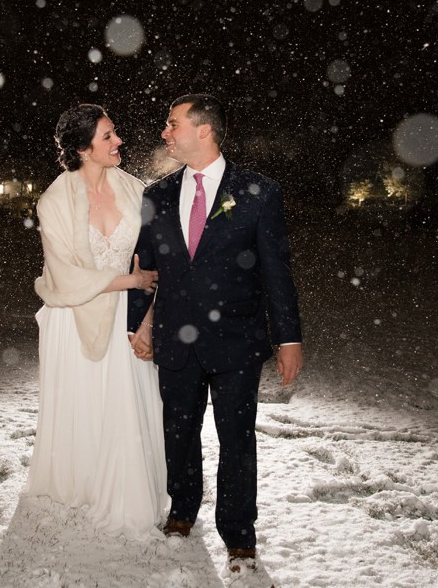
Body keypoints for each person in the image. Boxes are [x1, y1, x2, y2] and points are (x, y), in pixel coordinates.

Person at [128, 94, 303, 570]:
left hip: (237, 341)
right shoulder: (157, 195)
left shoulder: (257, 191)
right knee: (178, 433)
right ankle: (182, 511)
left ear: (203, 130)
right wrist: (137, 324)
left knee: (237, 440)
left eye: (172, 124)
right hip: (174, 341)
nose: (165, 132)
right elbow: (144, 266)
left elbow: (276, 271)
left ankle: (239, 533)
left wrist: (288, 339)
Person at [27, 103, 169, 540]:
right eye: (107, 136)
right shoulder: (54, 200)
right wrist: (130, 278)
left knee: (125, 402)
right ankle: (80, 481)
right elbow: (66, 274)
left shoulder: (135, 189)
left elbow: (153, 250)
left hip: (125, 315)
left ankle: (127, 488)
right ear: (82, 149)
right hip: (73, 319)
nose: (118, 142)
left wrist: (152, 287)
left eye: (115, 133)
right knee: (84, 405)